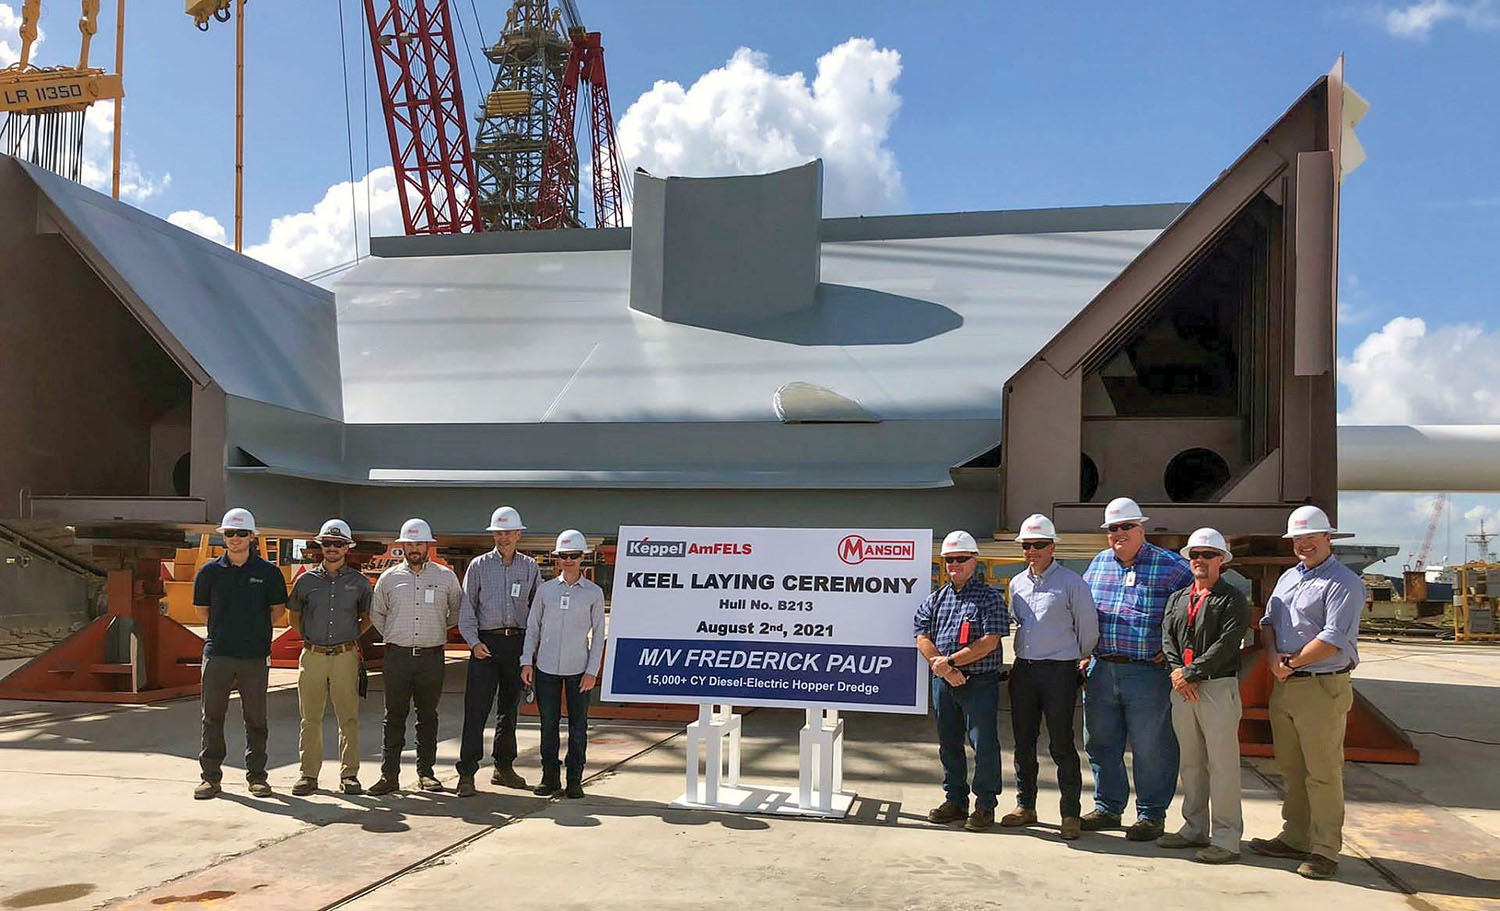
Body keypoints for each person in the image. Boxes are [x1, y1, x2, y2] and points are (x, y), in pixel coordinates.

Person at [1249, 505, 1363, 880]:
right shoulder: (1287, 579)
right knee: (1292, 769)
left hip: (1320, 686)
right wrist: (1271, 659)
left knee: (1323, 772)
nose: (1304, 544)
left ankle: (1325, 849)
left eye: (1311, 538)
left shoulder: (1344, 582)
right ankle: (1295, 836)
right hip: (1287, 685)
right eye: (1298, 539)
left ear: (1328, 538)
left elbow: (1332, 639)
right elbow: (1268, 622)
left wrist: (1291, 663)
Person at [1080, 497, 1193, 839]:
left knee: (1151, 745)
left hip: (1147, 672)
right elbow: (1085, 612)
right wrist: (1084, 653)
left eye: (1126, 527)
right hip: (1102, 668)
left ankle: (1151, 814)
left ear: (1141, 529)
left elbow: (1193, 613)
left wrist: (1174, 654)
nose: (1119, 533)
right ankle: (1108, 807)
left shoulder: (1173, 567)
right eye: (1113, 528)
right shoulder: (1098, 564)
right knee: (1099, 742)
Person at [1001, 514, 1098, 841]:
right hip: (1025, 670)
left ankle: (1070, 813)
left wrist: (1076, 658)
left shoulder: (1072, 583)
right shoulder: (1016, 584)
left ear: (1052, 546)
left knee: (1061, 744)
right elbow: (1019, 622)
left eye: (1039, 545)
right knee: (1023, 742)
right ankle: (1025, 805)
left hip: (1059, 671)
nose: (1032, 551)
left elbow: (1088, 630)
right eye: (1027, 546)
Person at [1159, 528, 1249, 864]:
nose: (1200, 561)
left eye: (1207, 555)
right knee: (1192, 762)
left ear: (1221, 561)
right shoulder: (1179, 598)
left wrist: (1192, 673)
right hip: (1182, 689)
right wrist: (1177, 674)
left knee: (1222, 765)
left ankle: (1226, 838)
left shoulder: (1232, 599)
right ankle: (1194, 827)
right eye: (1195, 555)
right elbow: (1167, 636)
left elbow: (1228, 643)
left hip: (1216, 687)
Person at [914, 530, 1011, 831]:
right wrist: (941, 667)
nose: (954, 564)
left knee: (983, 744)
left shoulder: (990, 598)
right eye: (949, 560)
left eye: (960, 559)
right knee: (949, 742)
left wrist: (951, 663)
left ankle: (985, 806)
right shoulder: (936, 599)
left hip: (979, 682)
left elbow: (990, 642)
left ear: (974, 561)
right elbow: (922, 636)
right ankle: (955, 799)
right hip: (944, 682)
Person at [192, 508, 288, 799]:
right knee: (212, 717)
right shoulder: (209, 573)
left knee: (256, 719)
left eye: (241, 533)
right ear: (224, 537)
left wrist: (253, 633)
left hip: (254, 657)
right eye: (230, 534)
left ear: (251, 537)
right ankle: (210, 777)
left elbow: (277, 610)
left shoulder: (268, 573)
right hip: (218, 654)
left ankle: (257, 777)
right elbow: (201, 611)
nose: (235, 539)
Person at [369, 518, 463, 796]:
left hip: (431, 658)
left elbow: (456, 611)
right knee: (394, 716)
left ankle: (426, 773)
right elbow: (377, 614)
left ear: (428, 546)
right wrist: (398, 634)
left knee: (427, 716)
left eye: (419, 543)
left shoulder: (446, 578)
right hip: (397, 657)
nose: (414, 548)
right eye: (409, 544)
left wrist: (433, 630)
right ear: (402, 546)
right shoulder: (389, 578)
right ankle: (389, 776)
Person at [456, 506, 541, 797]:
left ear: (518, 534)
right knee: (476, 710)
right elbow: (466, 609)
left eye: (508, 532)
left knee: (509, 710)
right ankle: (466, 773)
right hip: (485, 644)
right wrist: (473, 643)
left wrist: (529, 652)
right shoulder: (478, 566)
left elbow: (535, 613)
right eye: (499, 533)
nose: (503, 538)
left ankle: (503, 767)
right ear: (493, 534)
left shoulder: (529, 568)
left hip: (515, 645)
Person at [288, 519, 372, 797]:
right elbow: (294, 618)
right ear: (320, 546)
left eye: (338, 544)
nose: (332, 549)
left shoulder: (359, 583)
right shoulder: (305, 581)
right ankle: (308, 775)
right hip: (312, 656)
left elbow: (368, 617)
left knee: (348, 717)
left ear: (347, 548)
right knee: (309, 717)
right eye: (327, 544)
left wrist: (349, 638)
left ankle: (349, 775)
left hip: (344, 657)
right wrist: (312, 640)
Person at [520, 530, 606, 799]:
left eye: (574, 556)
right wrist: (527, 661)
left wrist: (592, 671)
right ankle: (549, 777)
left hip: (578, 670)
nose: (568, 560)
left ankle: (574, 778)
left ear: (583, 558)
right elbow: (532, 628)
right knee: (548, 724)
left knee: (578, 725)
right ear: (557, 558)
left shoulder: (593, 593)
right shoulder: (545, 591)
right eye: (564, 556)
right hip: (546, 669)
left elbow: (598, 634)